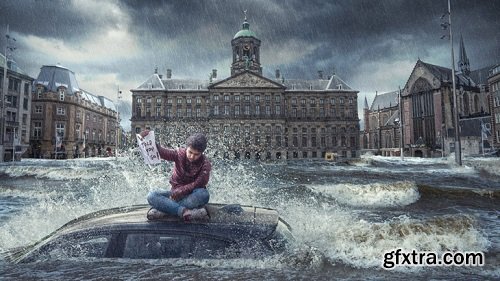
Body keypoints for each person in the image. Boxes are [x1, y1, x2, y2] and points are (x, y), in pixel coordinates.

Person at [141, 130, 211, 221]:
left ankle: (167, 210)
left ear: (202, 153)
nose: (192, 156)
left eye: (196, 154)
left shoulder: (206, 164)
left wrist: (181, 191)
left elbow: (199, 183)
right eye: (190, 152)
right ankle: (182, 211)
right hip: (174, 195)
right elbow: (162, 152)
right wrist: (147, 141)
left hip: (191, 196)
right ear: (187, 148)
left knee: (204, 194)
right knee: (151, 196)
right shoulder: (179, 154)